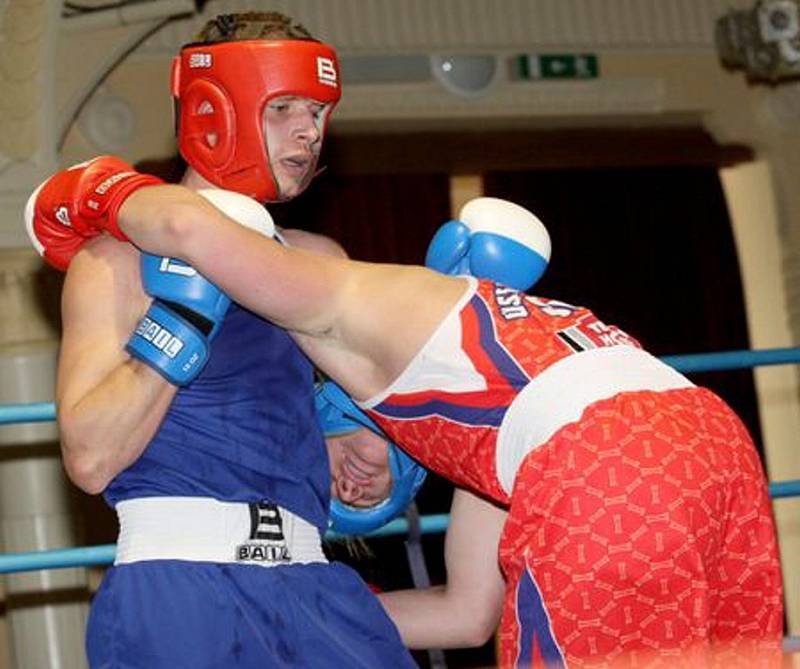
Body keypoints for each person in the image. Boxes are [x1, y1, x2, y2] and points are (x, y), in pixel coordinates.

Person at [30, 174, 785, 664]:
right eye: (362, 497)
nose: (361, 482)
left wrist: (85, 192)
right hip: (710, 440)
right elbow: (466, 613)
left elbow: (199, 229)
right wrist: (307, 596)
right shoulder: (489, 436)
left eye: (367, 481)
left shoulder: (343, 300)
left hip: (611, 462)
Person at [25, 11, 416, 668]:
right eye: (284, 107)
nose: (309, 132)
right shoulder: (117, 259)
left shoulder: (317, 258)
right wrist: (179, 321)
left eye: (318, 111)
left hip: (313, 584)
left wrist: (360, 457)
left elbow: (311, 424)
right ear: (214, 110)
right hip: (183, 586)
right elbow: (89, 457)